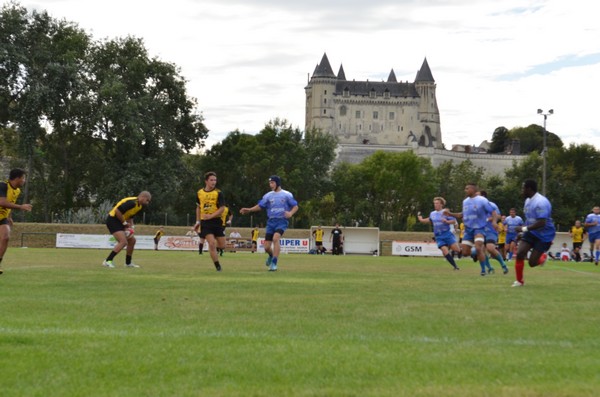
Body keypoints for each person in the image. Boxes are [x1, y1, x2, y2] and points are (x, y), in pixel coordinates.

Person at [240, 175, 298, 271]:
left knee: (276, 238)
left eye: (272, 183)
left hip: (281, 221)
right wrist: (249, 210)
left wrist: (290, 213)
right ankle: (271, 256)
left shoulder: (287, 194)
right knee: (266, 247)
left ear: (277, 183)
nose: (270, 185)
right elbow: (260, 206)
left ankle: (274, 263)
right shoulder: (268, 195)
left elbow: (296, 206)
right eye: (270, 183)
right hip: (271, 222)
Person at [444, 183, 497, 276]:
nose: (465, 190)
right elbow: (462, 214)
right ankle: (477, 254)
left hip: (480, 228)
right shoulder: (465, 201)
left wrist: (494, 222)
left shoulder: (482, 200)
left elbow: (493, 212)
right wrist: (450, 214)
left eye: (467, 188)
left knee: (478, 247)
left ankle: (483, 270)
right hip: (469, 230)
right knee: (465, 252)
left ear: (473, 189)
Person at [512, 179, 555, 287]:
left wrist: (524, 229)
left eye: (523, 188)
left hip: (544, 234)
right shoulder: (528, 200)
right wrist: (522, 233)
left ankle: (543, 258)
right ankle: (519, 281)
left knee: (532, 263)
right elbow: (529, 219)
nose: (522, 191)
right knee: (520, 253)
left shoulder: (541, 202)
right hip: (531, 232)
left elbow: (542, 222)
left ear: (529, 189)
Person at [102, 191, 151, 268]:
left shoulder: (139, 206)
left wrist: (132, 227)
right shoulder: (132, 202)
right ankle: (107, 261)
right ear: (142, 197)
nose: (147, 203)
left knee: (132, 241)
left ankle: (128, 263)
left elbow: (130, 217)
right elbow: (117, 211)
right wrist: (124, 223)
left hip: (120, 221)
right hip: (113, 219)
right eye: (147, 200)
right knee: (123, 242)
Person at [0, 168, 33, 275]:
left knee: (5, 237)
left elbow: (9, 204)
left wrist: (9, 217)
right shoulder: (2, 186)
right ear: (18, 178)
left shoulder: (17, 191)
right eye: (23, 178)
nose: (24, 181)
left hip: (2, 217)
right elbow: (2, 202)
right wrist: (20, 207)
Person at [193, 172, 227, 271]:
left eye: (215, 180)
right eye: (211, 180)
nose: (214, 182)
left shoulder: (218, 193)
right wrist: (197, 222)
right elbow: (198, 208)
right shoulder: (199, 193)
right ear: (206, 181)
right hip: (205, 223)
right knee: (211, 243)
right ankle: (217, 266)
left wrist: (211, 216)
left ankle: (214, 250)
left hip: (216, 221)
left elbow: (222, 208)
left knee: (222, 246)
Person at [417, 197, 460, 270]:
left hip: (447, 234)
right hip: (438, 236)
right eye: (434, 203)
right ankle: (455, 267)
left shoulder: (446, 212)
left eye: (437, 203)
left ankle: (469, 251)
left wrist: (446, 221)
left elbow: (454, 221)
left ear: (441, 204)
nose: (435, 205)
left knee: (457, 250)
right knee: (444, 250)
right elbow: (429, 220)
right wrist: (421, 220)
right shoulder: (432, 213)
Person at [479, 190, 509, 274]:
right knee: (481, 250)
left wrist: (489, 219)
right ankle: (489, 268)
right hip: (480, 231)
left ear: (483, 197)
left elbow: (499, 216)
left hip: (491, 230)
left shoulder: (491, 205)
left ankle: (503, 265)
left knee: (490, 248)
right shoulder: (476, 207)